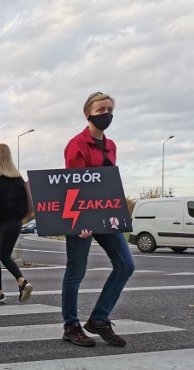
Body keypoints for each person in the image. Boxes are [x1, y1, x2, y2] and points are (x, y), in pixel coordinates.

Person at [61, 92, 134, 347]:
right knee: (76, 270)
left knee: (126, 265)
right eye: (101, 109)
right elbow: (73, 185)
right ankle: (71, 326)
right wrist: (80, 220)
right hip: (81, 216)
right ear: (87, 113)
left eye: (110, 109)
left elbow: (108, 183)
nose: (106, 114)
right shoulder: (76, 144)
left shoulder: (111, 145)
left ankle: (99, 319)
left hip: (105, 215)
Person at [0, 144, 33, 304]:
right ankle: (22, 282)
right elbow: (25, 202)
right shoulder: (18, 178)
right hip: (15, 223)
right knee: (6, 256)